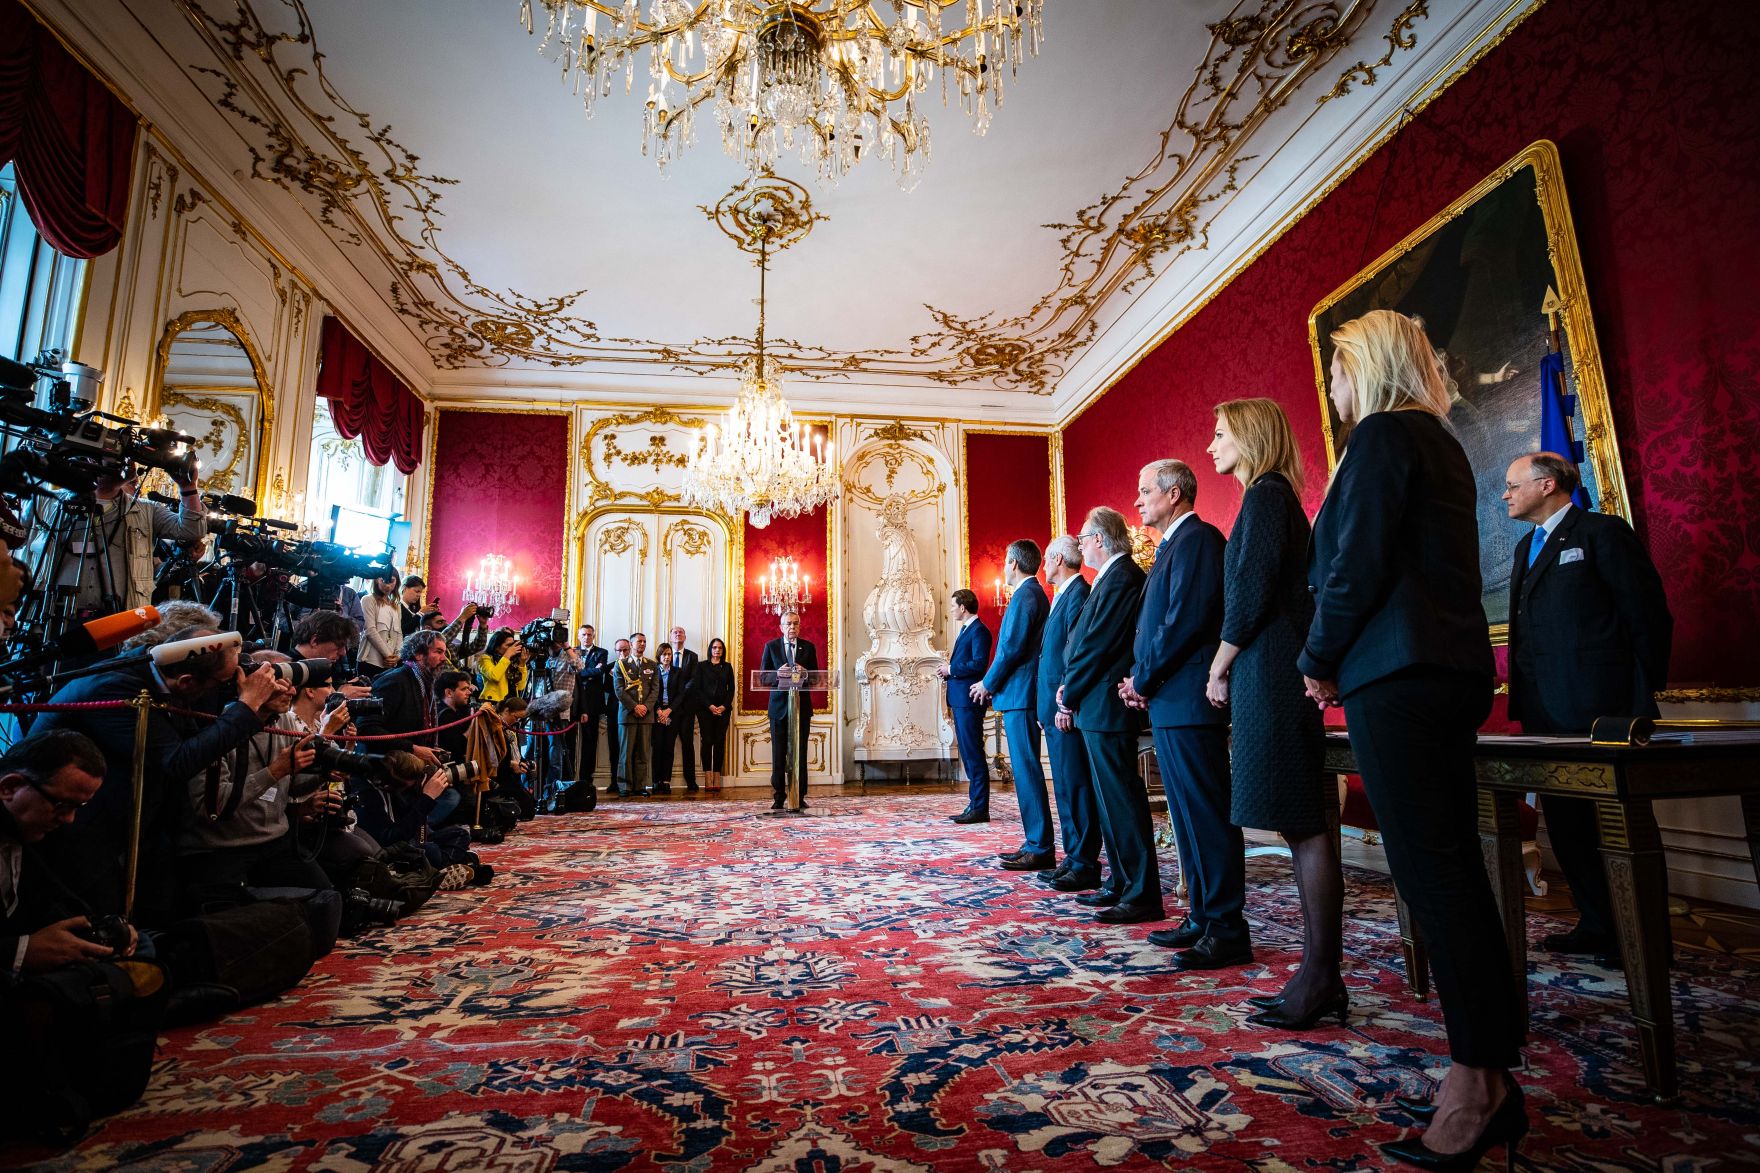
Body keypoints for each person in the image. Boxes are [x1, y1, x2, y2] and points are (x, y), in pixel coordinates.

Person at [1301, 308, 1521, 1169]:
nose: (1332, 386)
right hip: (1436, 671)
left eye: (1337, 368)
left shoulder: (1386, 435)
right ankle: (1485, 1065)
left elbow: (1354, 566)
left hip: (1398, 674)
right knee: (1447, 869)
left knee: (1436, 874)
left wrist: (1319, 658)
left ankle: (1480, 1083)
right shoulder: (1436, 439)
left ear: (1368, 366)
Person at [1504, 450, 1672, 963]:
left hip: (1603, 713)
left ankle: (1645, 936)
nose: (1505, 494)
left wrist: (1638, 699)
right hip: (1544, 713)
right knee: (1569, 824)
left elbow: (1648, 617)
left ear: (1548, 484)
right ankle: (1598, 923)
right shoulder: (1523, 548)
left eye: (1513, 485)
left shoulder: (1601, 533)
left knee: (1618, 827)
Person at [1206, 400, 1334, 1011]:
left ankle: (1320, 975)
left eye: (1221, 434)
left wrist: (1218, 663)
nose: (1212, 446)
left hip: (1272, 673)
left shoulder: (1265, 495)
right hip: (1273, 670)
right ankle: (1318, 972)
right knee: (1297, 821)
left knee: (1302, 822)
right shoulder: (1268, 495)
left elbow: (1251, 595)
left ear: (1251, 436)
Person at [37, 625, 288, 924]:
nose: (226, 688)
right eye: (221, 682)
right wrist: (248, 705)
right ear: (186, 681)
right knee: (100, 912)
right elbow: (177, 761)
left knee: (161, 907)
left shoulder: (159, 663)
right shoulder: (115, 686)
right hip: (78, 822)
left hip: (134, 814)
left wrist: (256, 711)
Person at [1120, 459, 1242, 963]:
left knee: (1206, 815)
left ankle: (1228, 928)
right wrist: (1141, 679)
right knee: (1186, 816)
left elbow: (1183, 624)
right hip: (1172, 700)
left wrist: (1142, 679)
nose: (1138, 500)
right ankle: (1201, 917)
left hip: (1190, 700)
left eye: (1146, 490)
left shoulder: (1198, 540)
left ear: (1174, 495)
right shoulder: (1173, 546)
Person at [1056, 507, 1159, 925]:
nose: (1080, 545)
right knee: (1107, 800)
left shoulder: (1122, 578)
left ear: (1100, 539)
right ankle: (1120, 881)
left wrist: (1069, 692)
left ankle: (1140, 892)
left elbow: (1096, 646)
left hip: (1106, 705)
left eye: (1083, 538)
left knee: (1122, 800)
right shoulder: (1109, 579)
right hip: (1095, 705)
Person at [1, 731, 137, 979]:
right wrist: (20, 952)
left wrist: (102, 927)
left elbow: (49, 898)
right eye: (62, 805)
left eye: (78, 807)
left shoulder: (23, 832)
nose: (69, 819)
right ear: (9, 788)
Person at [27, 467, 206, 614]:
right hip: (48, 614)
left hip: (119, 619)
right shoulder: (47, 501)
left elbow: (192, 530)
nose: (122, 466)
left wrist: (188, 487)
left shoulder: (147, 510)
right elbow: (14, 543)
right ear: (91, 461)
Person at [975, 541, 1052, 866]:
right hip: (1020, 693)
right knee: (1024, 770)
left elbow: (1010, 648)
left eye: (1005, 563)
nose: (1004, 569)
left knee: (1026, 770)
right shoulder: (1031, 594)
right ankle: (1034, 841)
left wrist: (987, 683)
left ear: (1014, 563)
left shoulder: (1025, 596)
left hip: (1021, 694)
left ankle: (1039, 846)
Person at [1036, 535, 1103, 893]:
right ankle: (1073, 858)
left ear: (1059, 559)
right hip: (1053, 707)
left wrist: (1065, 703)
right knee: (1063, 784)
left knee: (1075, 786)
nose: (1044, 566)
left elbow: (1073, 654)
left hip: (1066, 707)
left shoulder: (1078, 594)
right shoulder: (1062, 596)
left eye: (1047, 559)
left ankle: (1083, 863)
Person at [939, 589, 994, 823]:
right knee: (969, 754)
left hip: (969, 701)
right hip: (961, 700)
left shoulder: (979, 631)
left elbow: (979, 664)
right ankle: (974, 804)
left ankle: (980, 808)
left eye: (953, 606)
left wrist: (950, 670)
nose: (951, 610)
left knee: (973, 755)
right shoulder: (966, 630)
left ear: (963, 607)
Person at [360, 630, 449, 765]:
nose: (444, 658)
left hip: (405, 768)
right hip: (382, 770)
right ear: (418, 654)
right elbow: (366, 728)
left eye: (444, 652)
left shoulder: (425, 682)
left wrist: (428, 749)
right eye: (438, 652)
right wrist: (413, 749)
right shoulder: (394, 681)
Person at [759, 610, 817, 811]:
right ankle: (778, 796)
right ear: (781, 627)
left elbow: (817, 678)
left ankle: (799, 796)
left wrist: (806, 672)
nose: (792, 627)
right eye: (788, 624)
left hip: (802, 708)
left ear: (799, 626)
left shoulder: (808, 648)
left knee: (800, 753)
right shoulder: (771, 647)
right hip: (779, 709)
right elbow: (762, 678)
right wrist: (777, 674)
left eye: (795, 624)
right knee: (779, 754)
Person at [291, 610, 372, 702]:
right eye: (339, 646)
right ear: (315, 641)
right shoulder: (288, 671)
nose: (343, 653)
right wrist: (338, 696)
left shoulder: (328, 667)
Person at [615, 633, 658, 798]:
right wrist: (635, 707)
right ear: (631, 644)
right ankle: (625, 785)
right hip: (627, 715)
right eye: (639, 641)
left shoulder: (652, 665)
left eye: (644, 641)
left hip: (646, 715)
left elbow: (655, 690)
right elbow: (619, 690)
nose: (642, 644)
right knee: (626, 752)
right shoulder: (622, 664)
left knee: (643, 752)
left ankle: (640, 785)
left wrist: (645, 707)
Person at [569, 625, 612, 787]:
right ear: (579, 636)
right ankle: (569, 778)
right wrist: (590, 671)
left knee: (589, 742)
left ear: (593, 636)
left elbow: (598, 672)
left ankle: (586, 780)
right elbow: (573, 672)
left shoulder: (602, 652)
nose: (586, 637)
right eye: (583, 634)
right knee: (570, 742)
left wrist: (580, 672)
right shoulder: (571, 652)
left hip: (593, 703)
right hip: (573, 701)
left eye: (589, 634)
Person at [697, 637, 735, 792]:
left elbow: (731, 689)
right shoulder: (701, 666)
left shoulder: (727, 667)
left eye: (720, 648)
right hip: (705, 710)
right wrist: (710, 706)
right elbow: (698, 689)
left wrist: (723, 707)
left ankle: (717, 777)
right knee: (707, 741)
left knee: (719, 742)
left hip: (723, 711)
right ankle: (708, 777)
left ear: (723, 650)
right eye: (714, 647)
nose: (717, 650)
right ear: (710, 650)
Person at [667, 625, 701, 791]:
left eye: (681, 632)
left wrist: (680, 696)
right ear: (670, 637)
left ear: (684, 637)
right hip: (669, 709)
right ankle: (664, 781)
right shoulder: (664, 655)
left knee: (688, 745)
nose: (678, 634)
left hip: (687, 707)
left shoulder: (692, 657)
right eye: (675, 632)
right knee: (668, 744)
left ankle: (691, 781)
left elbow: (694, 680)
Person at [358, 571, 403, 678]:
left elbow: (399, 633)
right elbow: (370, 630)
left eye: (391, 581)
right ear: (377, 580)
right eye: (383, 580)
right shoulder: (368, 599)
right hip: (370, 661)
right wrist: (388, 655)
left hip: (390, 664)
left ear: (396, 582)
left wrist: (397, 656)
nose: (387, 585)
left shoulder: (396, 605)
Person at [650, 642, 682, 795]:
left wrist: (669, 710)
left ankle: (666, 781)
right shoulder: (652, 671)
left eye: (669, 654)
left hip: (672, 713)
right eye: (664, 654)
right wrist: (658, 710)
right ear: (659, 656)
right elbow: (651, 692)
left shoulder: (678, 672)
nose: (667, 657)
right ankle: (656, 781)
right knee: (657, 748)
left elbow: (681, 694)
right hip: (656, 714)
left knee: (669, 748)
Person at [477, 628, 527, 703]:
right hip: (493, 701)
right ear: (497, 647)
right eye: (508, 645)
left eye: (512, 644)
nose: (511, 648)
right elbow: (494, 676)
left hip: (511, 701)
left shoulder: (512, 660)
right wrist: (507, 655)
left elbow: (520, 686)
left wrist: (522, 663)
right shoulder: (485, 658)